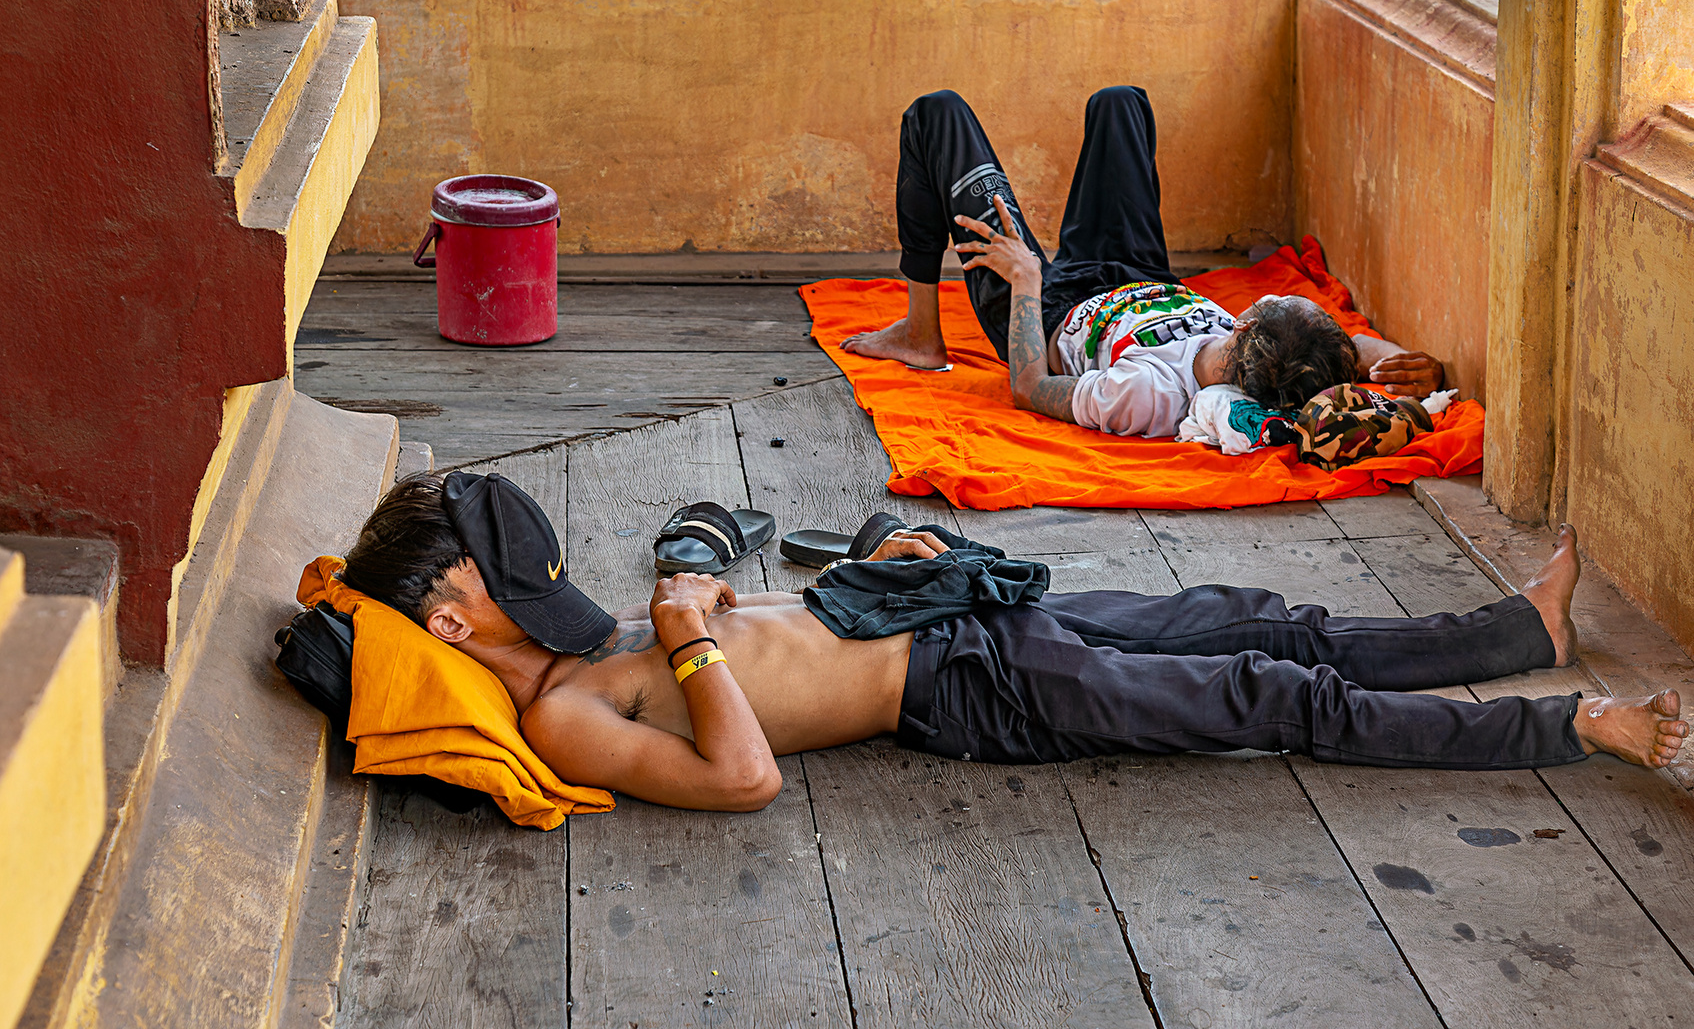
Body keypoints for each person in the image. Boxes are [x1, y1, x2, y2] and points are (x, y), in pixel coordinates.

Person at [332, 472, 1688, 813]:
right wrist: (687, 647)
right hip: (963, 689)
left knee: (1251, 618)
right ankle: (1572, 726)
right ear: (453, 621)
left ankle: (1514, 628)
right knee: (1266, 695)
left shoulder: (578, 640)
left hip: (932, 618)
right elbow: (743, 778)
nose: (542, 586)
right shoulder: (566, 718)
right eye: (506, 579)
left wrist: (859, 575)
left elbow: (753, 641)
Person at [839, 88, 1447, 435]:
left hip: (1043, 312)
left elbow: (1029, 389)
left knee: (937, 114)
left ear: (1244, 328)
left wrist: (1025, 277)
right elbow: (1349, 351)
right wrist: (1395, 363)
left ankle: (922, 335)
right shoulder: (1278, 356)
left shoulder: (1149, 392)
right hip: (1142, 277)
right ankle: (934, 325)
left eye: (1278, 302)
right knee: (1120, 104)